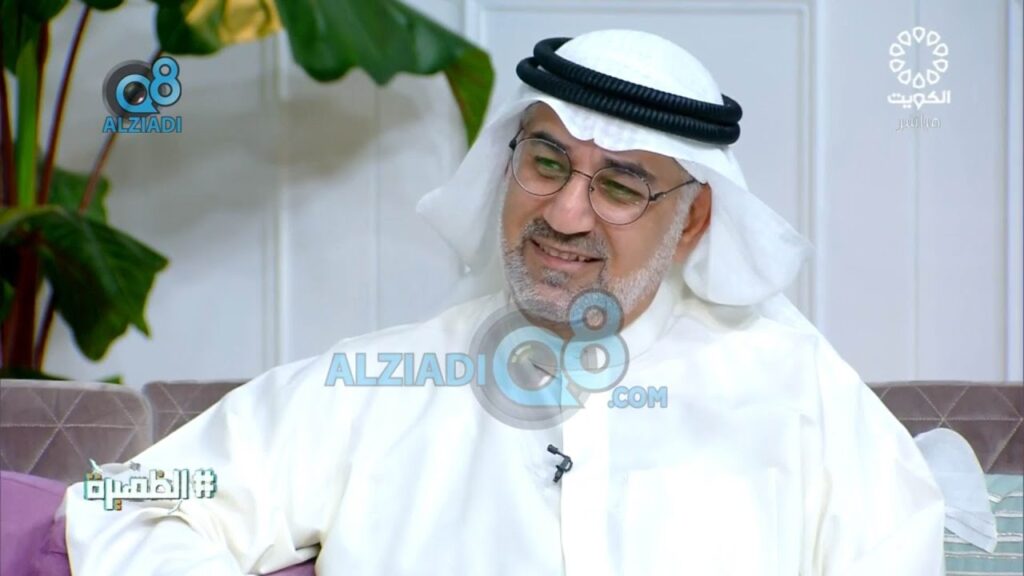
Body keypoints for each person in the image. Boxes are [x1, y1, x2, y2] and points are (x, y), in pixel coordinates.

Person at [61, 29, 946, 575]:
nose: (565, 213)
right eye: (547, 162)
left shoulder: (803, 399)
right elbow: (130, 499)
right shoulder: (378, 387)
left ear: (695, 220)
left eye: (621, 186)